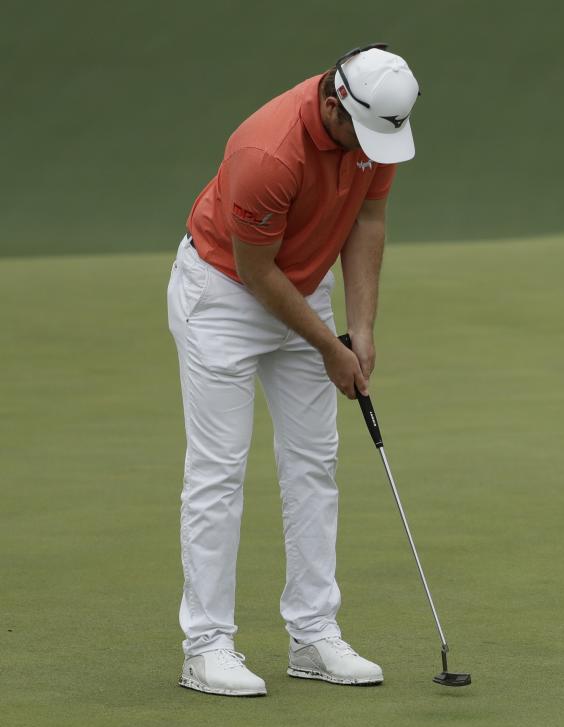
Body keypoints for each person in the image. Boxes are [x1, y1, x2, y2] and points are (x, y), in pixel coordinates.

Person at [166, 44, 420, 697]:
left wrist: (361, 328)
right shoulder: (267, 150)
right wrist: (329, 348)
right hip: (223, 293)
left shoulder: (373, 130)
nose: (370, 146)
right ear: (333, 103)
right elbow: (256, 273)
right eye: (360, 133)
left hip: (301, 289)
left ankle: (312, 633)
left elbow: (368, 217)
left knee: (314, 461)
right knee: (218, 470)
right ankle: (206, 646)